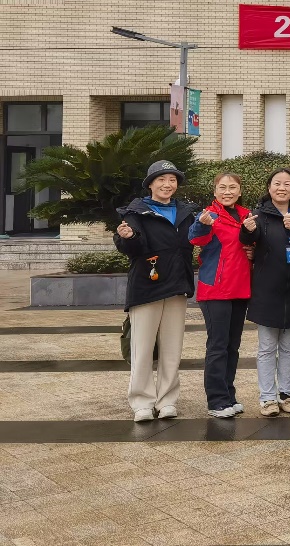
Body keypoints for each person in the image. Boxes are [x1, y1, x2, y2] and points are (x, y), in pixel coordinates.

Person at [115, 160, 198, 423]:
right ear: (150, 184)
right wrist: (127, 237)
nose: (167, 184)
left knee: (172, 349)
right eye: (161, 179)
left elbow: (196, 241)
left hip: (177, 286)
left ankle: (167, 401)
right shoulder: (136, 212)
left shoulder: (186, 212)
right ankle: (142, 402)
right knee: (142, 348)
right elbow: (130, 249)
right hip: (146, 287)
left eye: (172, 180)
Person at [239, 167, 290, 417]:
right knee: (267, 347)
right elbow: (248, 238)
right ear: (269, 188)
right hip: (267, 290)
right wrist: (247, 229)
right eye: (277, 183)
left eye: (287, 184)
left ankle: (286, 395)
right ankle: (267, 397)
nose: (282, 188)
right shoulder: (259, 216)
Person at [187, 172, 253, 418]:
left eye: (232, 187)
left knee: (232, 346)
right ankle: (216, 400)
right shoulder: (209, 214)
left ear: (239, 191)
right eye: (222, 187)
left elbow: (253, 243)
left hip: (240, 287)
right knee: (218, 346)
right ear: (215, 191)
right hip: (216, 288)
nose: (227, 192)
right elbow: (195, 238)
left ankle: (229, 395)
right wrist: (202, 224)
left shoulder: (247, 215)